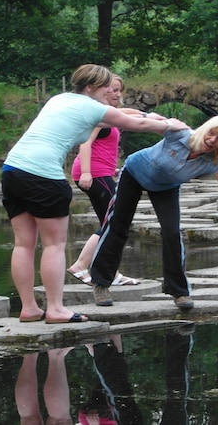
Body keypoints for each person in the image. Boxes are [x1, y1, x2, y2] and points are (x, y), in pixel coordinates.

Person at [2, 64, 188, 324]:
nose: (109, 92)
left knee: (23, 244)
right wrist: (169, 124)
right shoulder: (91, 107)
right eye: (105, 88)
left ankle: (29, 308)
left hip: (12, 170)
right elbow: (131, 123)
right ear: (90, 87)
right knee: (54, 245)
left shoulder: (60, 99)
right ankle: (55, 309)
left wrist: (153, 117)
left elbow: (118, 115)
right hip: (42, 174)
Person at [90, 115, 218, 310]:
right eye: (211, 133)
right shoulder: (179, 133)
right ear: (205, 129)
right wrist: (103, 113)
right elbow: (142, 119)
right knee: (118, 225)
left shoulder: (214, 162)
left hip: (166, 186)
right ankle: (101, 284)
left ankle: (179, 292)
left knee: (172, 232)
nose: (212, 140)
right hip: (134, 173)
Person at [68, 74, 140, 287]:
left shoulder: (110, 114)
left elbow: (125, 114)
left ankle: (111, 271)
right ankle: (81, 265)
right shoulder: (97, 114)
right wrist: (87, 172)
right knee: (112, 222)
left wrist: (148, 115)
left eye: (120, 90)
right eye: (113, 89)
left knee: (110, 223)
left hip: (102, 172)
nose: (117, 94)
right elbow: (85, 143)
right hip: (93, 173)